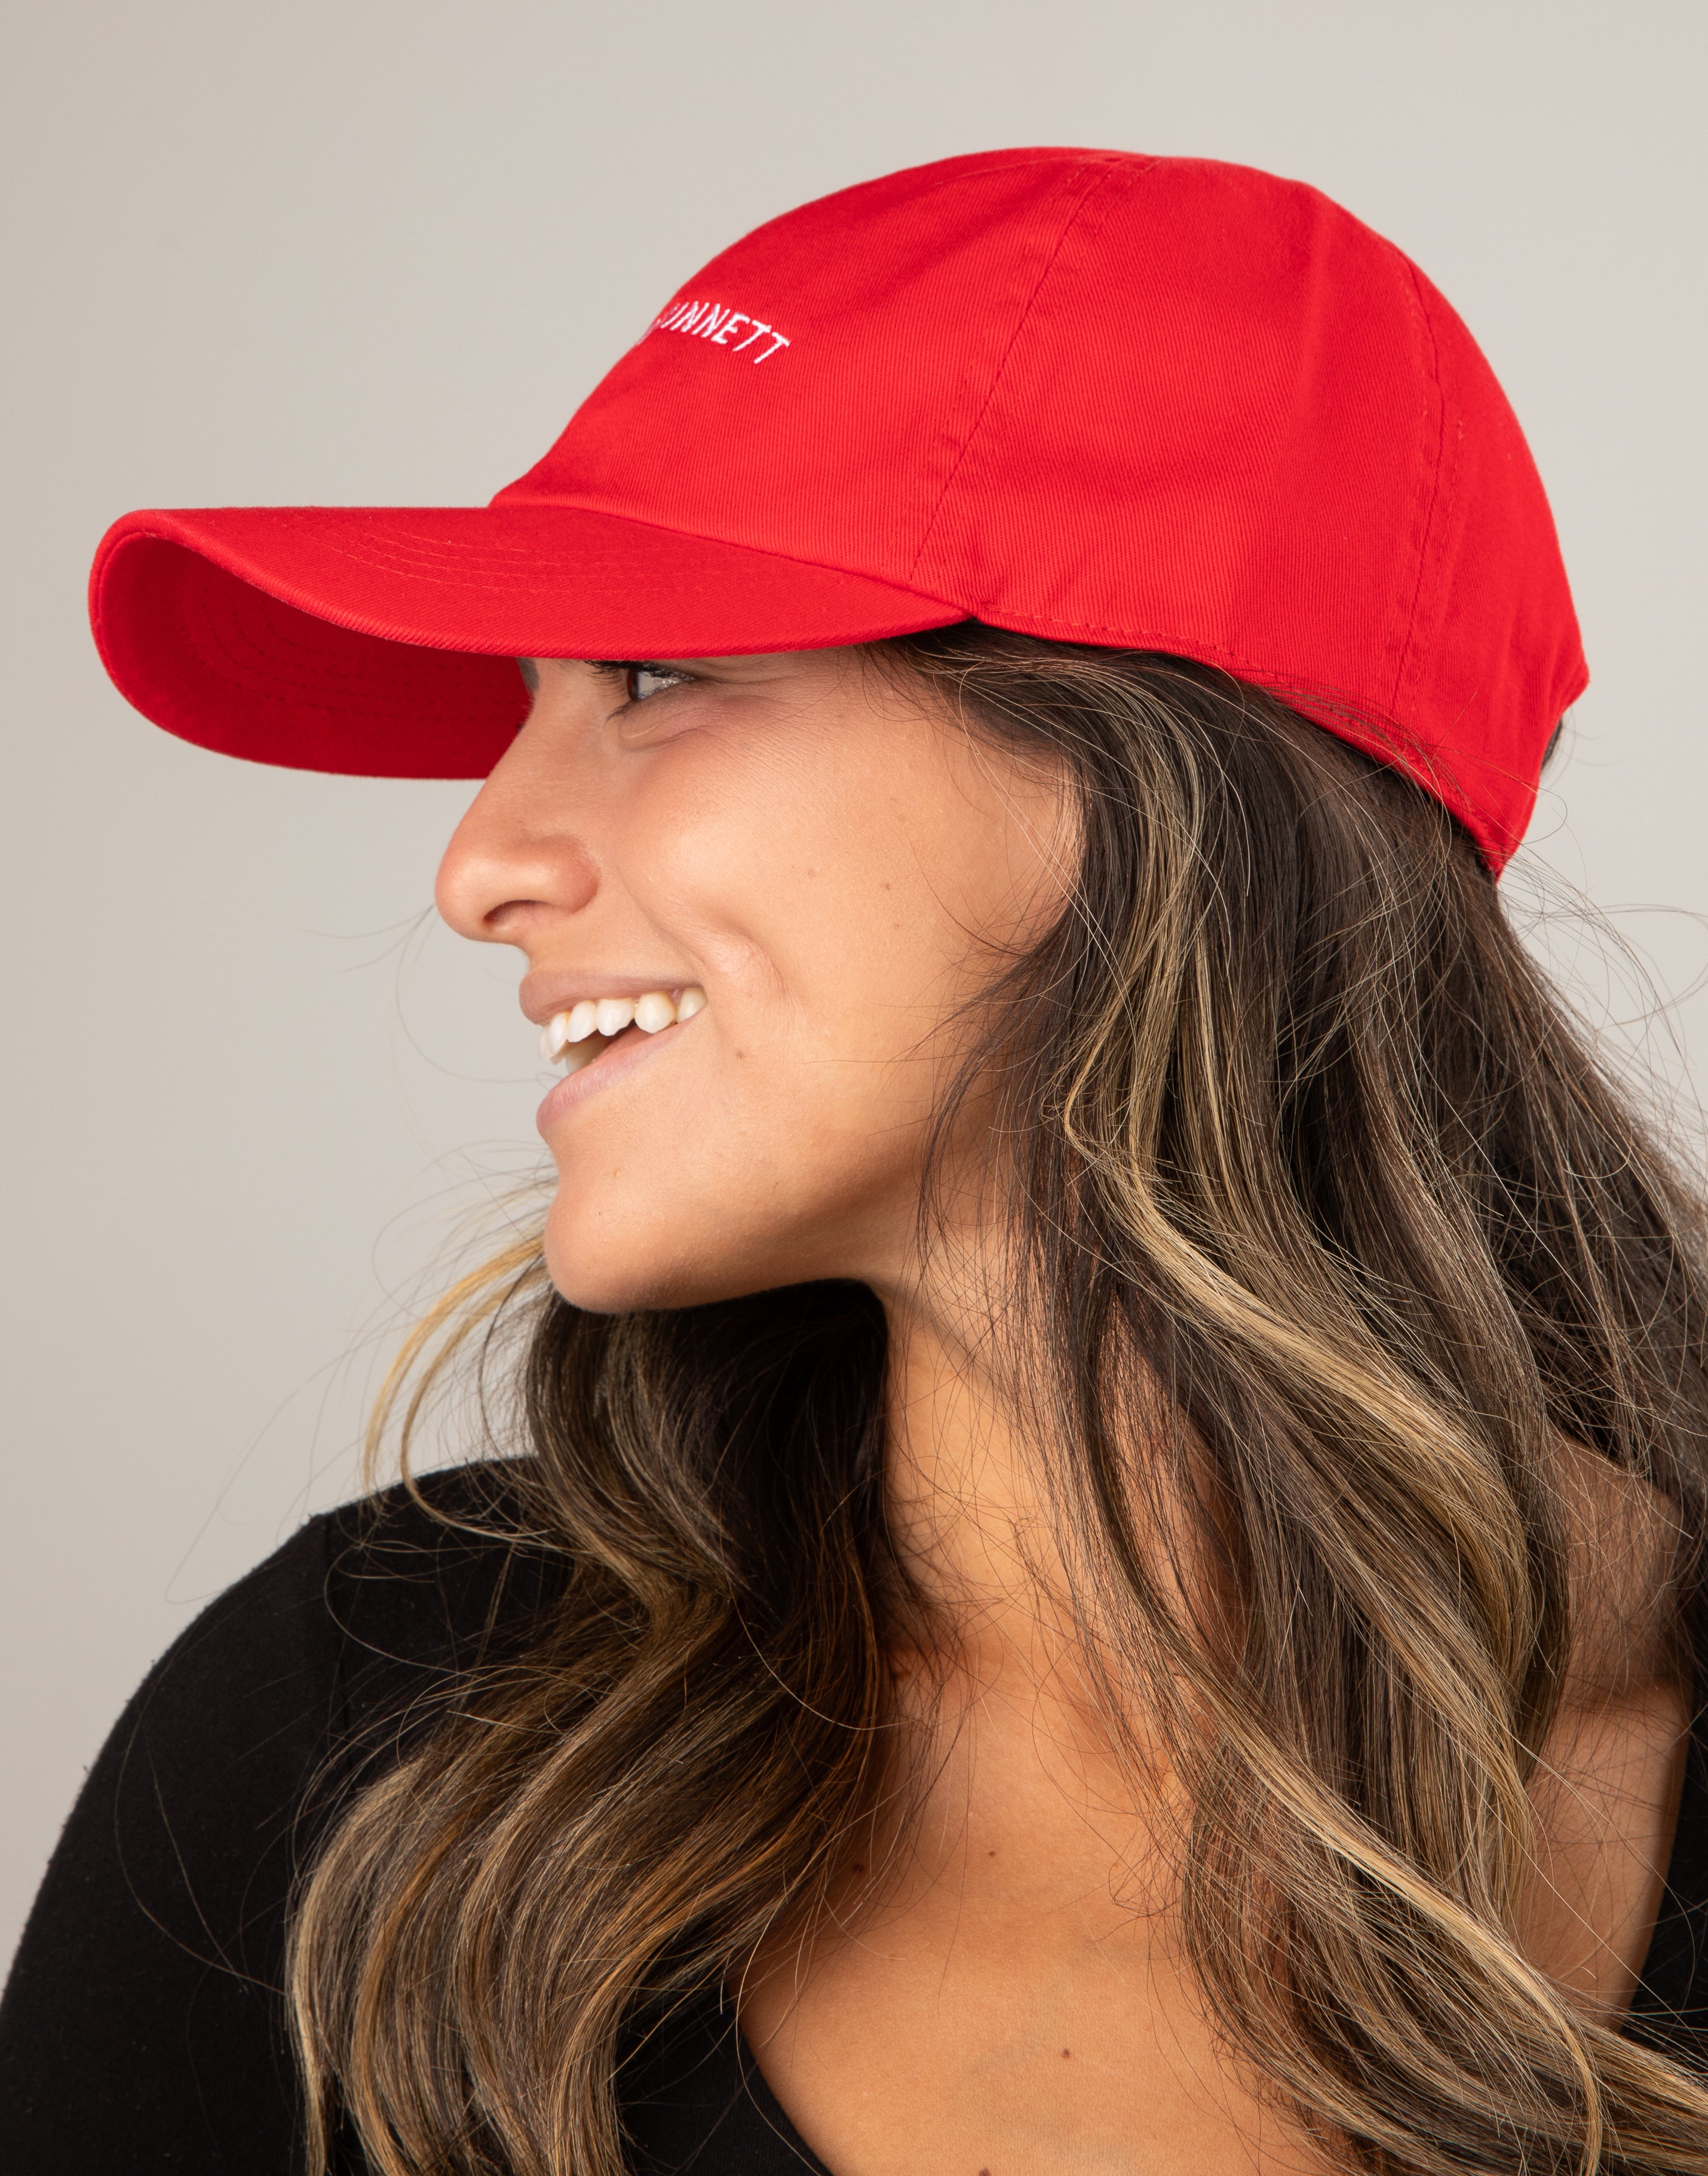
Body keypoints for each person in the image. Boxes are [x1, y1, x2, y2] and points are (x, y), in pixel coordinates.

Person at [4, 147, 1706, 2176]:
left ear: (1140, 772)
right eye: (523, 702)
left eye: (647, 676)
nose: (477, 868)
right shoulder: (363, 1735)